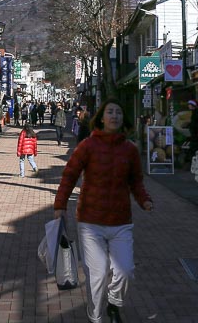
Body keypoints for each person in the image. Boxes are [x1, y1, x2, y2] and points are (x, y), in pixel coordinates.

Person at [54, 100, 153, 323]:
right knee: (97, 275)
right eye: (110, 112)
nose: (114, 116)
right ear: (101, 118)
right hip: (90, 222)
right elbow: (69, 175)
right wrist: (60, 205)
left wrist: (144, 200)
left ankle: (115, 303)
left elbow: (136, 181)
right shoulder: (88, 146)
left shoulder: (130, 150)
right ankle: (95, 317)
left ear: (122, 119)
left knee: (125, 271)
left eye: (118, 112)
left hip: (121, 222)